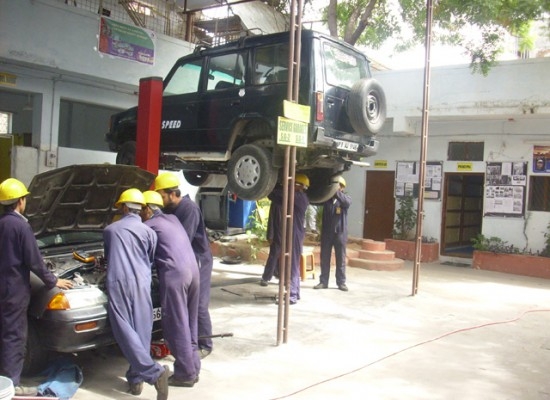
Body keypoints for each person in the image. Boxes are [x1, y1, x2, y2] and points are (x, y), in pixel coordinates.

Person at [0, 178, 73, 396]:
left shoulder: (2, 223)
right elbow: (34, 261)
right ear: (20, 201)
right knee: (14, 337)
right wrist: (53, 281)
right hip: (14, 290)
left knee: (4, 332)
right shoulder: (21, 226)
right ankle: (11, 385)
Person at [102, 188, 169, 400]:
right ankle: (135, 378)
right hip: (142, 281)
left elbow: (108, 257)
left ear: (123, 207)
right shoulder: (149, 232)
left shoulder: (110, 231)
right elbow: (149, 258)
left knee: (124, 330)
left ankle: (154, 373)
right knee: (142, 330)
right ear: (141, 208)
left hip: (119, 281)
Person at [141, 191, 201, 388]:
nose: (139, 215)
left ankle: (185, 374)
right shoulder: (173, 219)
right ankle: (194, 367)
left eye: (140, 210)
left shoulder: (148, 226)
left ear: (148, 209)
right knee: (190, 322)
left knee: (176, 323)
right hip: (193, 272)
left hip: (176, 275)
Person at [154, 173, 214, 359]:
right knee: (184, 305)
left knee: (199, 305)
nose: (160, 201)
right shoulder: (170, 210)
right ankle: (186, 342)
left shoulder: (189, 209)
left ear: (173, 194)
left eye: (162, 196)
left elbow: (182, 239)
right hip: (183, 260)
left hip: (198, 260)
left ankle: (205, 344)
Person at [264, 174, 309, 304]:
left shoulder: (298, 197)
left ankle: (292, 295)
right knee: (292, 263)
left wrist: (273, 184)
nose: (290, 186)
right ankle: (295, 292)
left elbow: (277, 194)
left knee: (291, 265)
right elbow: (275, 198)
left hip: (294, 234)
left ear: (299, 186)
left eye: (292, 184)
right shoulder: (297, 197)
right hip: (294, 233)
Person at [314, 176, 352, 292]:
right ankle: (323, 281)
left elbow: (347, 203)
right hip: (327, 234)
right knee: (325, 258)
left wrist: (335, 192)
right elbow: (317, 200)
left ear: (342, 188)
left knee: (340, 258)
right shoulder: (327, 200)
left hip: (340, 234)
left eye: (337, 186)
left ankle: (341, 282)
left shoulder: (345, 199)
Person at [259, 187, 284, 286]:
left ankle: (269, 276)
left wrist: (270, 235)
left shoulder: (278, 204)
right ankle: (270, 275)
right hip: (279, 234)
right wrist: (270, 235)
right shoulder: (279, 204)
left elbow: (271, 222)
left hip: (280, 234)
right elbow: (272, 221)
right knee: (275, 255)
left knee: (275, 255)